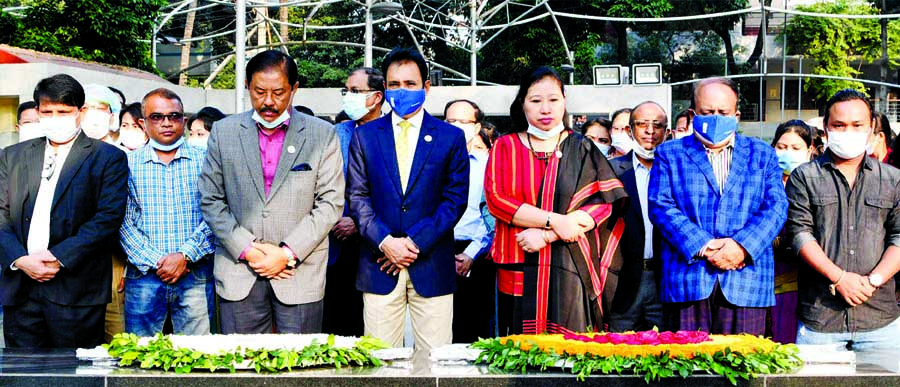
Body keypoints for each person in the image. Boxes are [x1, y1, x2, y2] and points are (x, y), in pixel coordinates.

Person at [200, 50, 344, 334]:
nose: (268, 101)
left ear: (294, 89)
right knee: (241, 369)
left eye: (278, 92)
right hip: (239, 272)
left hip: (299, 274)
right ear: (246, 87)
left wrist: (287, 253)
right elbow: (211, 199)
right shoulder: (224, 131)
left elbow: (330, 203)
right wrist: (248, 250)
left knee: (300, 370)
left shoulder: (322, 134)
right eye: (259, 92)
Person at [485, 66, 627, 335]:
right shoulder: (505, 146)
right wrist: (556, 221)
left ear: (564, 102)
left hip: (570, 265)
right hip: (518, 263)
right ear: (522, 104)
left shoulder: (582, 146)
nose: (545, 109)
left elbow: (603, 204)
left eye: (553, 100)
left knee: (570, 357)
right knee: (518, 355)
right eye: (536, 101)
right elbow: (497, 199)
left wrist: (548, 235)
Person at [347, 47, 468, 350]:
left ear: (426, 87)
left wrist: (413, 243)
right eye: (395, 84)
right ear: (385, 88)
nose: (402, 91)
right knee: (379, 364)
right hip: (379, 264)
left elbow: (454, 200)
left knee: (434, 363)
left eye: (411, 84)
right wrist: (386, 242)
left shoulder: (449, 137)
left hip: (431, 265)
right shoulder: (365, 136)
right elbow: (357, 197)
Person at [648, 77, 788, 336]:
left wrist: (741, 247)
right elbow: (660, 205)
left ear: (736, 115)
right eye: (707, 112)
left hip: (747, 281)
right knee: (685, 370)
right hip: (688, 281)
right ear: (692, 114)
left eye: (722, 113)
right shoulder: (669, 154)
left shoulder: (762, 154)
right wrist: (704, 246)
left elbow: (776, 207)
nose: (715, 118)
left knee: (744, 368)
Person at [0, 74, 129, 348]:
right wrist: (20, 259)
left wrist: (59, 257)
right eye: (48, 111)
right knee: (23, 376)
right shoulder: (13, 156)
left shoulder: (107, 157)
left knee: (73, 374)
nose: (55, 117)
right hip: (21, 289)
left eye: (64, 111)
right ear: (37, 112)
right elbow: (1, 214)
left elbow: (107, 218)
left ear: (80, 112)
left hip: (77, 291)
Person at [786, 89, 900, 351]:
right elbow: (799, 234)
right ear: (826, 128)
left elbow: (898, 236)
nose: (848, 132)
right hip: (821, 320)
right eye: (839, 125)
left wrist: (873, 280)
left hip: (880, 320)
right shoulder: (804, 177)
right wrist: (839, 278)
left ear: (871, 128)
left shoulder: (893, 180)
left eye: (857, 125)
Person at [119, 88, 215, 336]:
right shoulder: (126, 164)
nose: (166, 123)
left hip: (195, 272)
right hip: (144, 275)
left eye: (174, 116)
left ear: (184, 120)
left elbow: (216, 213)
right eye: (157, 117)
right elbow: (122, 221)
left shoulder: (206, 161)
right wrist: (159, 262)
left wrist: (185, 256)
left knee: (198, 358)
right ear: (143, 123)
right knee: (139, 357)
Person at [323, 67, 385, 337]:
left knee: (373, 330)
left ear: (377, 97)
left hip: (378, 247)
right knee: (336, 326)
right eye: (346, 91)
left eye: (356, 92)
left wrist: (359, 223)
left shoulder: (392, 133)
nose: (348, 96)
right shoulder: (335, 134)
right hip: (334, 245)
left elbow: (396, 193)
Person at [606, 101, 668, 332]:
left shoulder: (677, 170)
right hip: (623, 280)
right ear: (630, 130)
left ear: (667, 132)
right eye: (642, 125)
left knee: (666, 354)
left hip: (664, 279)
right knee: (619, 354)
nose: (650, 131)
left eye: (657, 125)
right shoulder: (610, 170)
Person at [444, 99, 495, 343]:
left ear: (476, 128)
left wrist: (472, 254)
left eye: (463, 122)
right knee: (440, 332)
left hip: (476, 255)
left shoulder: (489, 166)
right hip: (436, 252)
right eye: (450, 121)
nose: (455, 126)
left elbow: (492, 216)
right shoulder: (433, 163)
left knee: (475, 333)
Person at [767, 119, 813, 344]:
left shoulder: (815, 186)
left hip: (800, 287)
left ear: (809, 151)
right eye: (782, 147)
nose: (787, 153)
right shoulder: (762, 184)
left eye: (796, 148)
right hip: (763, 286)